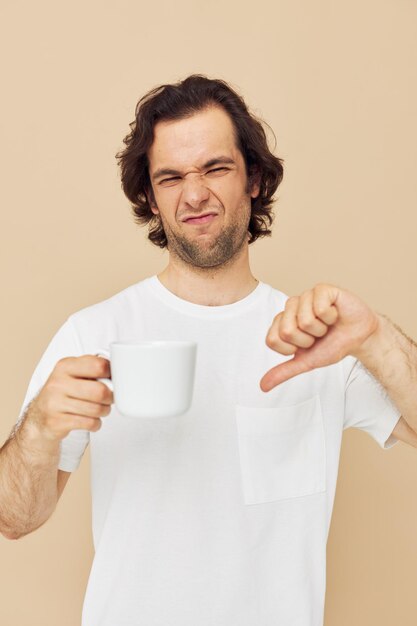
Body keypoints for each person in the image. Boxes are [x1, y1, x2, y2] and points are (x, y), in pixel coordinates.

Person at [0, 74, 416, 626]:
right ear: (149, 197)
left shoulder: (318, 339)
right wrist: (39, 430)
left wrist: (374, 339)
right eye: (170, 177)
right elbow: (13, 519)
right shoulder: (93, 333)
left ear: (254, 179)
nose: (194, 194)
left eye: (215, 168)